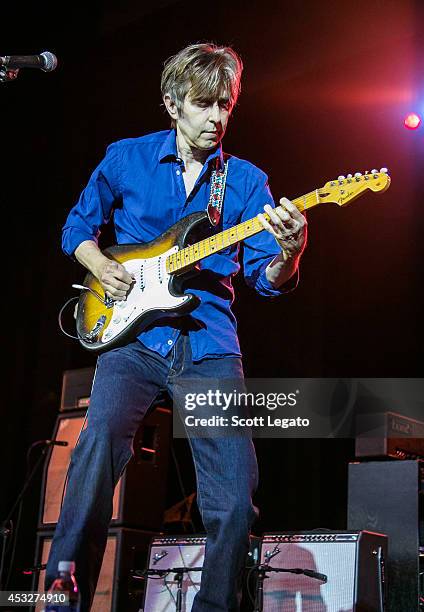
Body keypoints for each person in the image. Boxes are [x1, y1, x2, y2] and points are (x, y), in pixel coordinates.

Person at [45, 42, 307, 611]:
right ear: (172, 103)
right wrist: (102, 265)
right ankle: (62, 602)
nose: (217, 117)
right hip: (133, 340)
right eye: (205, 104)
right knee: (91, 468)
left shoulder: (244, 181)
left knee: (234, 500)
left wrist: (291, 251)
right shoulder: (126, 158)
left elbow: (269, 277)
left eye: (226, 106)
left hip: (208, 345)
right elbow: (76, 228)